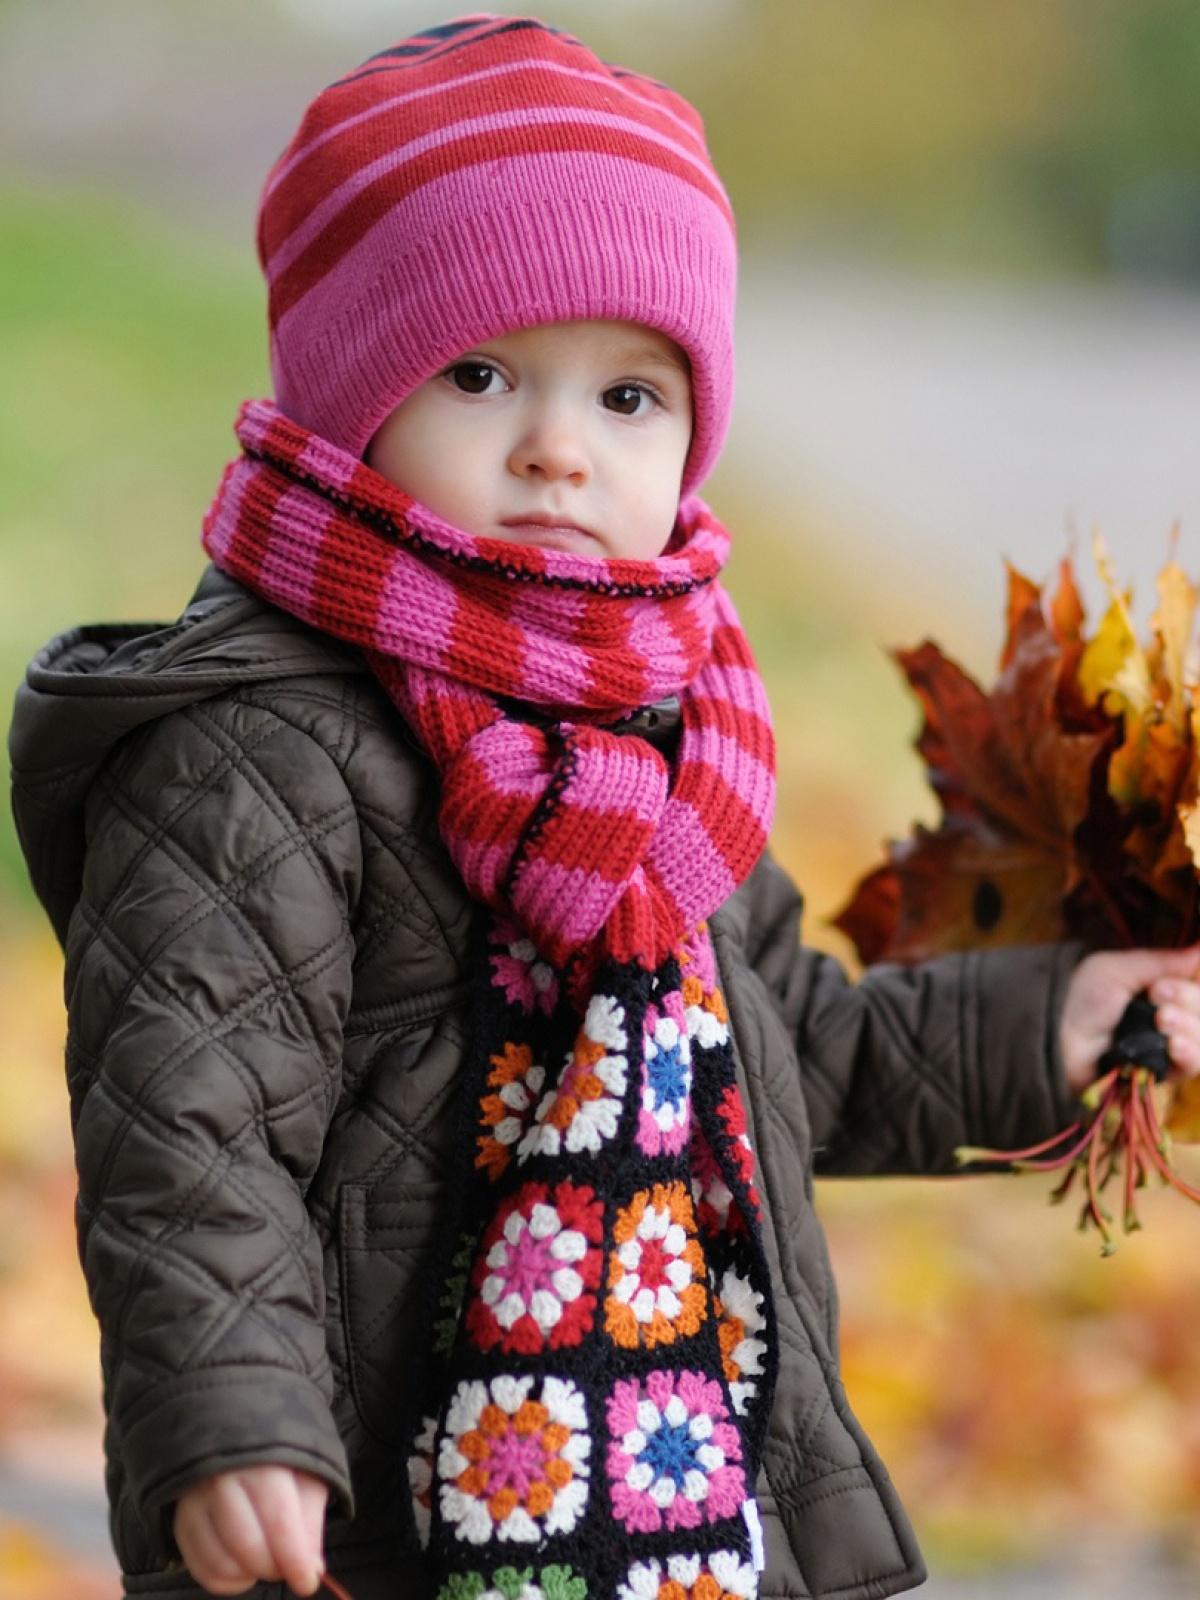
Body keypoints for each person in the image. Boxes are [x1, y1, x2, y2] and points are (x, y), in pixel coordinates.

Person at [9, 15, 1200, 1600]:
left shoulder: (670, 740)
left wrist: (1037, 1029)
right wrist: (232, 1423)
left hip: (685, 1483)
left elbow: (791, 1051)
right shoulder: (254, 747)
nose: (560, 449)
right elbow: (191, 1130)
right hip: (386, 1507)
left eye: (630, 397)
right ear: (350, 397)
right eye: (484, 373)